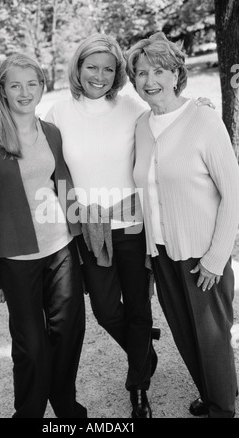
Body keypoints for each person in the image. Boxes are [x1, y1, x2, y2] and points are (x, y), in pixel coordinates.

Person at [0, 34, 212, 419]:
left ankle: (139, 388)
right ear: (77, 68)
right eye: (91, 66)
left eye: (109, 69)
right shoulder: (60, 114)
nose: (100, 75)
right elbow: (39, 157)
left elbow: (170, 115)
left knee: (138, 311)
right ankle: (143, 351)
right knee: (105, 310)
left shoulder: (133, 107)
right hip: (88, 225)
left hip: (130, 222)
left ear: (118, 74)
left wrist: (200, 107)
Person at [126, 31, 239, 418]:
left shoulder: (204, 120)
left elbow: (233, 193)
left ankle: (222, 408)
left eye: (159, 70)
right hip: (161, 253)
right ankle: (213, 393)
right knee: (186, 337)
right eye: (141, 73)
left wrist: (216, 256)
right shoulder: (142, 124)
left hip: (202, 254)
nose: (150, 80)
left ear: (177, 74)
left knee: (212, 340)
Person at [0, 53, 87, 419]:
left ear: (42, 86)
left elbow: (64, 187)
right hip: (17, 262)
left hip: (61, 251)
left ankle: (67, 410)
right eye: (15, 84)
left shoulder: (50, 131)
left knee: (68, 338)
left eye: (31, 84)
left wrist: (80, 246)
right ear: (2, 89)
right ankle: (30, 413)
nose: (24, 92)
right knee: (31, 347)